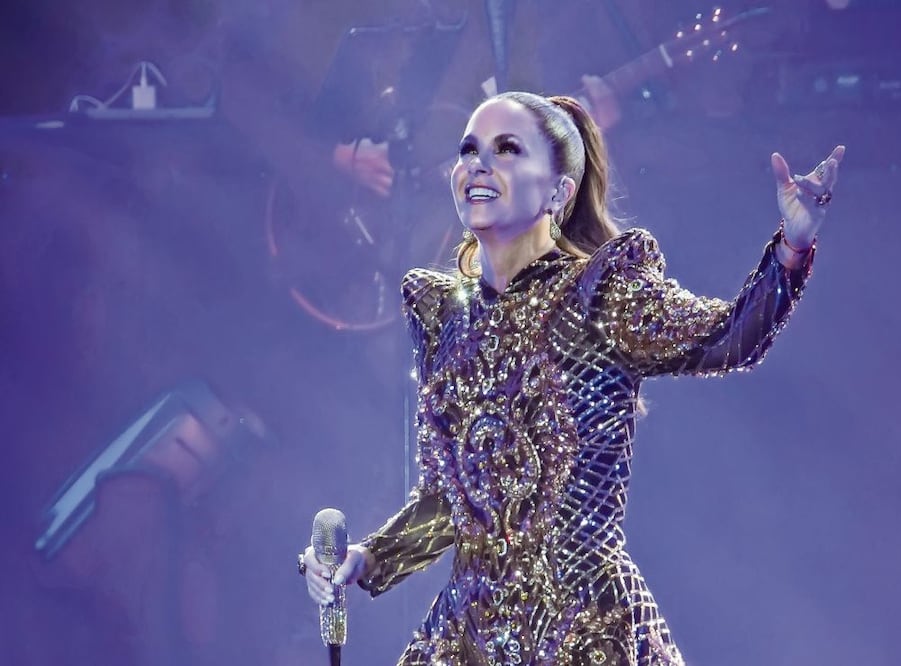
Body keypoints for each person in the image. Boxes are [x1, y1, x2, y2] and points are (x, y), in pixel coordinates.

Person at [300, 90, 844, 664]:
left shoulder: (600, 294)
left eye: (507, 150)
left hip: (582, 629)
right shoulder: (445, 317)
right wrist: (370, 557)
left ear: (558, 192)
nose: (478, 165)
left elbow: (725, 338)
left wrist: (793, 246)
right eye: (469, 150)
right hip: (468, 635)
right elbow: (448, 505)